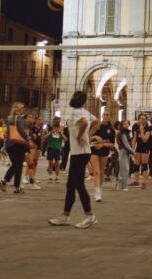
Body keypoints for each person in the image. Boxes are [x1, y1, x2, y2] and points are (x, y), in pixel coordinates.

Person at [48, 91, 98, 229]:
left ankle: (89, 216)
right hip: (80, 152)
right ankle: (65, 215)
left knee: (78, 184)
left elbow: (85, 122)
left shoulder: (78, 112)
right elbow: (96, 122)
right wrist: (88, 135)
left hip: (80, 153)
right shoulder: (85, 111)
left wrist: (80, 136)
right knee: (71, 185)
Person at [0, 103, 30, 194]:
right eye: (22, 108)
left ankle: (16, 187)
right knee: (18, 165)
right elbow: (21, 131)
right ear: (19, 109)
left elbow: (8, 132)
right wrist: (28, 138)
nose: (23, 109)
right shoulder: (19, 118)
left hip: (10, 144)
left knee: (16, 165)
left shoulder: (9, 118)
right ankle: (5, 181)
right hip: (18, 144)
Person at [91, 113, 116, 202]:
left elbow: (112, 144)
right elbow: (88, 137)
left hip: (104, 151)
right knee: (96, 171)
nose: (106, 116)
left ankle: (99, 189)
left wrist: (103, 144)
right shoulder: (96, 126)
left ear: (110, 117)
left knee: (101, 172)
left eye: (108, 115)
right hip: (94, 150)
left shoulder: (111, 130)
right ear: (102, 116)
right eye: (104, 114)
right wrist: (95, 136)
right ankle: (97, 193)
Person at [130, 113, 152, 189]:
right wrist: (132, 150)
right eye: (141, 118)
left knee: (144, 165)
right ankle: (136, 181)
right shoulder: (135, 126)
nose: (142, 120)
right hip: (138, 147)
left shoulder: (148, 128)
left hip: (145, 147)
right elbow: (134, 139)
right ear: (138, 119)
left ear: (146, 120)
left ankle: (144, 183)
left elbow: (145, 139)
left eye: (144, 118)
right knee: (136, 164)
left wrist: (142, 130)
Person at [116, 119, 135, 191]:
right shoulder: (122, 133)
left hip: (125, 152)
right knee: (125, 169)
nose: (126, 125)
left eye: (127, 123)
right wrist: (134, 152)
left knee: (122, 169)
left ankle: (119, 185)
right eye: (125, 124)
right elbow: (126, 145)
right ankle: (124, 185)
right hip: (123, 151)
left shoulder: (126, 132)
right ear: (122, 125)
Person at [46, 118, 64, 183]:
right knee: (50, 163)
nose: (56, 129)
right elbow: (45, 138)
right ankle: (50, 177)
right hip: (50, 148)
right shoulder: (51, 132)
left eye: (57, 128)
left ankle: (57, 177)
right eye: (55, 127)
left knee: (57, 164)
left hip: (57, 149)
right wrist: (50, 132)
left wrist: (60, 134)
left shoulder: (60, 133)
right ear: (53, 127)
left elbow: (66, 139)